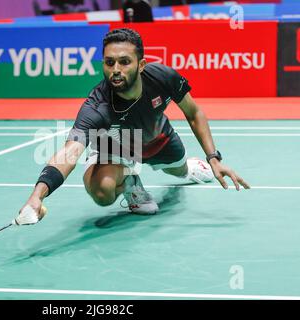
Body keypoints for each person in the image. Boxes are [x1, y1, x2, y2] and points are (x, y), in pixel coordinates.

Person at [16, 28, 250, 223]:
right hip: (115, 148)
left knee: (179, 171)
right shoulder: (97, 106)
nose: (115, 69)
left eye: (124, 62)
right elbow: (69, 152)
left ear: (141, 65)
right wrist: (38, 196)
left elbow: (194, 113)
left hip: (157, 139)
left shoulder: (163, 78)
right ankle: (130, 181)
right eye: (109, 62)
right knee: (102, 191)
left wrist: (213, 158)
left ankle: (190, 167)